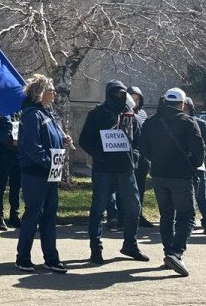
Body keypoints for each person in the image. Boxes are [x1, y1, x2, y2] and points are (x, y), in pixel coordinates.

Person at [79, 80, 148, 265]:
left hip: (126, 169)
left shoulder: (130, 115)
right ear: (108, 93)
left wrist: (134, 157)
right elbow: (84, 140)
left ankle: (130, 244)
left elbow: (139, 140)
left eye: (122, 93)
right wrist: (99, 154)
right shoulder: (97, 114)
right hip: (104, 170)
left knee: (134, 207)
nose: (119, 96)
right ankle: (96, 248)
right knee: (98, 209)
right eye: (116, 93)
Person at [139, 89, 204, 277]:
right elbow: (199, 152)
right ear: (183, 104)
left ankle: (169, 253)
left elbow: (144, 149)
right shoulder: (188, 122)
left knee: (166, 215)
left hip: (159, 175)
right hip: (181, 176)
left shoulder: (151, 122)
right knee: (186, 215)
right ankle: (176, 253)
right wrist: (191, 163)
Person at [15, 74, 69, 274]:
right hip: (36, 173)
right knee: (33, 214)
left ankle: (51, 258)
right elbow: (32, 145)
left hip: (50, 172)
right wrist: (47, 162)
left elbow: (49, 139)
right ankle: (23, 258)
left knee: (49, 215)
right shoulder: (32, 114)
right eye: (50, 90)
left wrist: (61, 141)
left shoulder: (48, 113)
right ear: (40, 93)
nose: (54, 93)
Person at [184, 97, 206, 236]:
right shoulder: (174, 124)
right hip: (181, 167)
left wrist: (201, 157)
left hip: (197, 166)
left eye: (186, 108)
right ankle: (187, 223)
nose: (183, 111)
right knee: (185, 196)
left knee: (201, 196)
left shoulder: (200, 123)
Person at [127, 85, 153, 228]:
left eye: (137, 99)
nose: (135, 101)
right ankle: (123, 216)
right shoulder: (123, 112)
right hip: (127, 156)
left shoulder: (142, 114)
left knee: (140, 188)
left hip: (142, 158)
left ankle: (139, 214)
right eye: (132, 98)